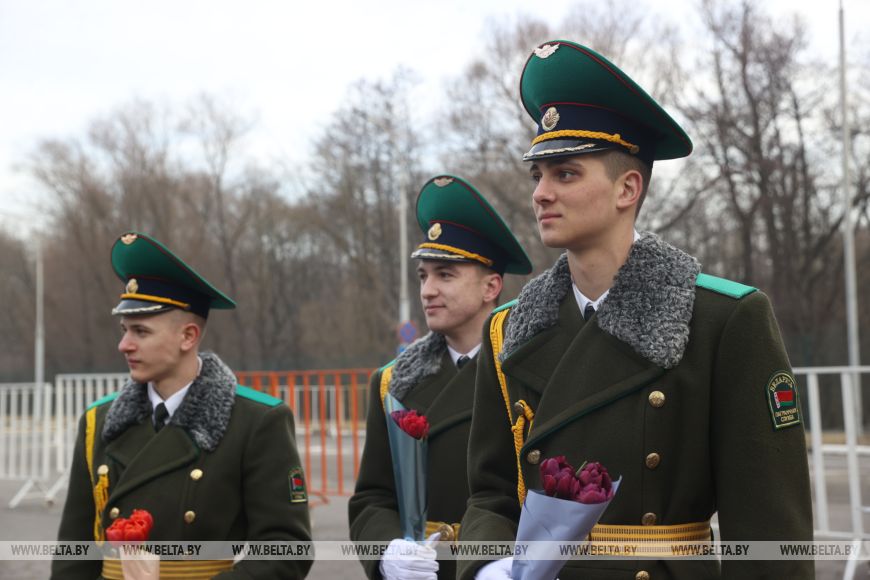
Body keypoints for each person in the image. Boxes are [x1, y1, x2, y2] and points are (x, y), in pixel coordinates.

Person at [459, 41, 814, 580]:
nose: (541, 193)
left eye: (565, 174)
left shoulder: (722, 319)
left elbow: (769, 532)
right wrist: (487, 567)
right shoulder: (507, 330)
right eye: (537, 176)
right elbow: (490, 494)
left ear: (628, 188)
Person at [52, 232, 312, 580]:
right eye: (124, 330)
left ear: (188, 336)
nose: (124, 345)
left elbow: (286, 549)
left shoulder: (256, 420)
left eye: (141, 332)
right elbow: (74, 551)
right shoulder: (99, 420)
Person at [348, 176, 532, 580]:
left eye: (445, 275)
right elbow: (373, 497)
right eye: (423, 276)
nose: (428, 290)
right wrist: (386, 552)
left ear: (491, 286)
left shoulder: (528, 371)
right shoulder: (393, 383)